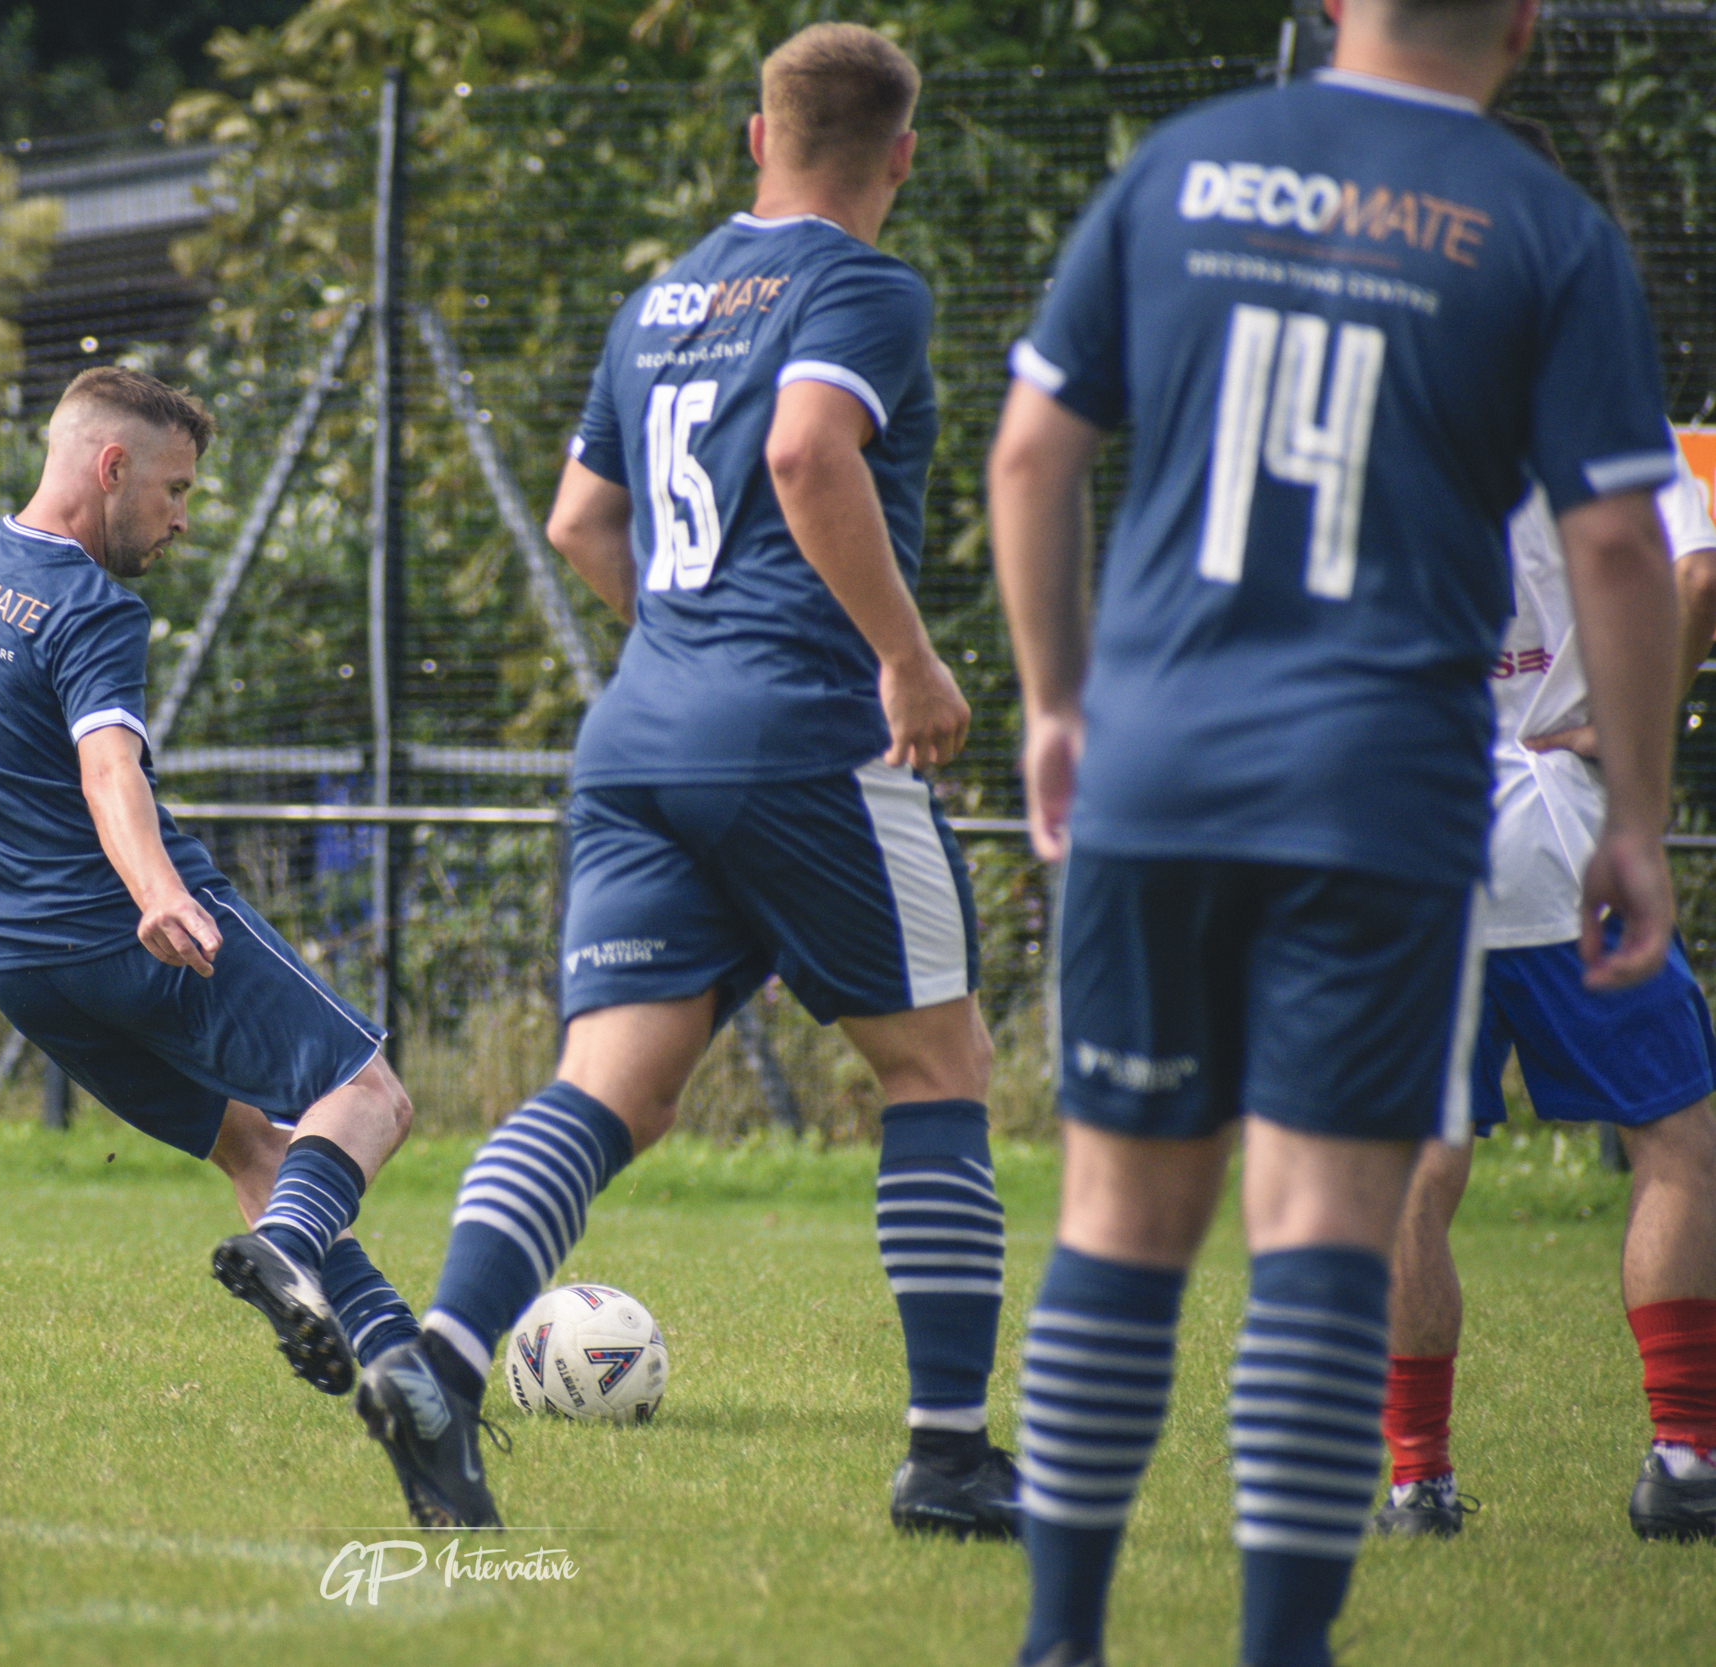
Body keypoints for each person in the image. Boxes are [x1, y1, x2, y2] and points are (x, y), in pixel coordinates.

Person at [987, 0, 1682, 1659]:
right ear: (1521, 24)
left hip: (1157, 771)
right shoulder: (1547, 231)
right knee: (1317, 1230)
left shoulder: (1187, 164)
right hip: (1381, 793)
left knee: (1119, 1220)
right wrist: (1637, 814)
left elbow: (1031, 454)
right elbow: (1620, 548)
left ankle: (1060, 1640)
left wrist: (1059, 703)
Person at [352, 23, 1012, 1537]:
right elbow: (805, 455)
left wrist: (692, 648)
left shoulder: (659, 299)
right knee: (937, 1066)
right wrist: (907, 662)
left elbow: (586, 516)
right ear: (902, 153)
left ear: (752, 136)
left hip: (639, 734)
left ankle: (444, 1355)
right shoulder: (866, 286)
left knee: (612, 1088)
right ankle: (950, 1458)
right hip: (804, 734)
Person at [0, 366, 422, 1406]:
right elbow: (109, 770)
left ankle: (397, 1366)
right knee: (369, 1093)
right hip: (121, 931)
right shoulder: (90, 607)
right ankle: (288, 1245)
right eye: (176, 488)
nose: (182, 517)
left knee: (250, 1140)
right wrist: (158, 890)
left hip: (9, 959)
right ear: (111, 466)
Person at [1377, 400, 1716, 1539]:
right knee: (1674, 1137)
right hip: (1567, 835)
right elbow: (1699, 576)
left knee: (1416, 1163)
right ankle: (1685, 1459)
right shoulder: (1603, 412)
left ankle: (1414, 1483)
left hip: (1410, 835)